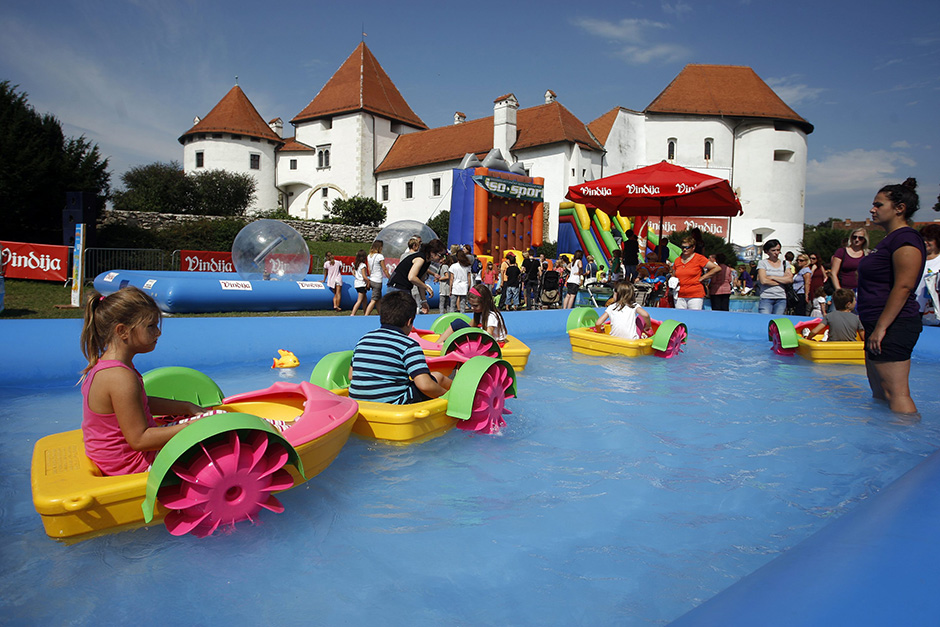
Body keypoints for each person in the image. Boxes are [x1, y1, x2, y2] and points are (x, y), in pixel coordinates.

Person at [80, 287, 207, 476]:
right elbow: (139, 440)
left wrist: (186, 407)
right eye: (151, 326)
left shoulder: (108, 366)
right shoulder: (120, 377)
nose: (158, 333)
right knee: (213, 441)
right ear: (122, 331)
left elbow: (140, 402)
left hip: (116, 458)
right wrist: (190, 429)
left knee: (203, 421)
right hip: (131, 464)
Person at [857, 178, 926, 414]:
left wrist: (881, 327)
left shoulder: (906, 239)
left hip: (893, 324)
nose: (872, 209)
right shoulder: (888, 240)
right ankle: (883, 440)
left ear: (899, 208)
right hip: (877, 323)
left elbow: (904, 287)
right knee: (879, 393)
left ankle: (906, 444)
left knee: (895, 393)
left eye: (878, 205)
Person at [349, 291, 451, 405]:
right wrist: (445, 398)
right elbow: (425, 386)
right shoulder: (408, 345)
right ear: (409, 322)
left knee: (433, 377)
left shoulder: (364, 339)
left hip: (358, 402)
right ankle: (455, 396)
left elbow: (351, 375)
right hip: (392, 404)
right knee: (437, 378)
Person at [387, 239, 446, 315]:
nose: (442, 259)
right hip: (396, 288)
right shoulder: (420, 259)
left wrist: (424, 301)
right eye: (440, 255)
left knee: (406, 313)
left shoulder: (426, 262)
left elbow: (420, 281)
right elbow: (412, 277)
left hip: (405, 288)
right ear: (432, 253)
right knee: (398, 315)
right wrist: (426, 287)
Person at [437, 284, 509, 345]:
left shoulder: (491, 316)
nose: (472, 308)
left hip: (490, 342)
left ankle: (440, 344)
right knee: (458, 324)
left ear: (485, 303)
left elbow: (488, 336)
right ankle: (440, 343)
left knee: (458, 323)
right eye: (470, 305)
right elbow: (469, 327)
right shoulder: (480, 314)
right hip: (483, 338)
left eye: (475, 305)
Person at [671, 236, 720, 310]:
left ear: (693, 247)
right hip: (679, 295)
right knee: (680, 318)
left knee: (693, 316)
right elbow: (674, 273)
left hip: (695, 294)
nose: (684, 249)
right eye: (683, 247)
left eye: (687, 247)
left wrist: (702, 278)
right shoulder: (678, 260)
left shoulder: (699, 258)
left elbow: (717, 268)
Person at [756, 239, 793, 315]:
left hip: (781, 297)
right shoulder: (762, 263)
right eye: (773, 250)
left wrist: (772, 277)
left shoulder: (785, 263)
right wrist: (782, 281)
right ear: (767, 251)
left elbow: (790, 279)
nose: (776, 253)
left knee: (778, 321)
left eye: (778, 250)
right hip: (766, 297)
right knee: (765, 319)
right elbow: (763, 281)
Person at [831, 228, 869, 293]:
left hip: (861, 290)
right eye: (854, 237)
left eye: (860, 238)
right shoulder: (841, 252)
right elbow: (833, 273)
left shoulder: (867, 254)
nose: (857, 240)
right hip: (844, 290)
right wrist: (839, 291)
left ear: (864, 240)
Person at [916, 224, 940, 319]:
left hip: (934, 311)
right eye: (923, 239)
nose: (925, 242)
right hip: (915, 308)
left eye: (929, 240)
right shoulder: (915, 259)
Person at [363, 240, 391, 317]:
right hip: (377, 280)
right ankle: (366, 315)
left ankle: (380, 314)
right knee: (374, 300)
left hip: (372, 278)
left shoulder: (369, 256)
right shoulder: (380, 256)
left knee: (378, 299)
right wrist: (390, 278)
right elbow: (384, 269)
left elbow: (369, 269)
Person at [451, 248, 473, 313]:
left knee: (452, 304)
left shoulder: (453, 266)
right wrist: (469, 287)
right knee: (462, 304)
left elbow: (451, 278)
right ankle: (462, 316)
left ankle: (451, 316)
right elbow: (469, 277)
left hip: (455, 285)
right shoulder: (467, 266)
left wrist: (450, 288)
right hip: (464, 285)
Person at [349, 249, 369, 316]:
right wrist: (368, 280)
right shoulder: (363, 265)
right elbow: (364, 276)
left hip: (357, 283)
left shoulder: (357, 265)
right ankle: (353, 313)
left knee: (364, 299)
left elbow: (355, 274)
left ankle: (366, 312)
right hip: (361, 284)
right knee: (359, 300)